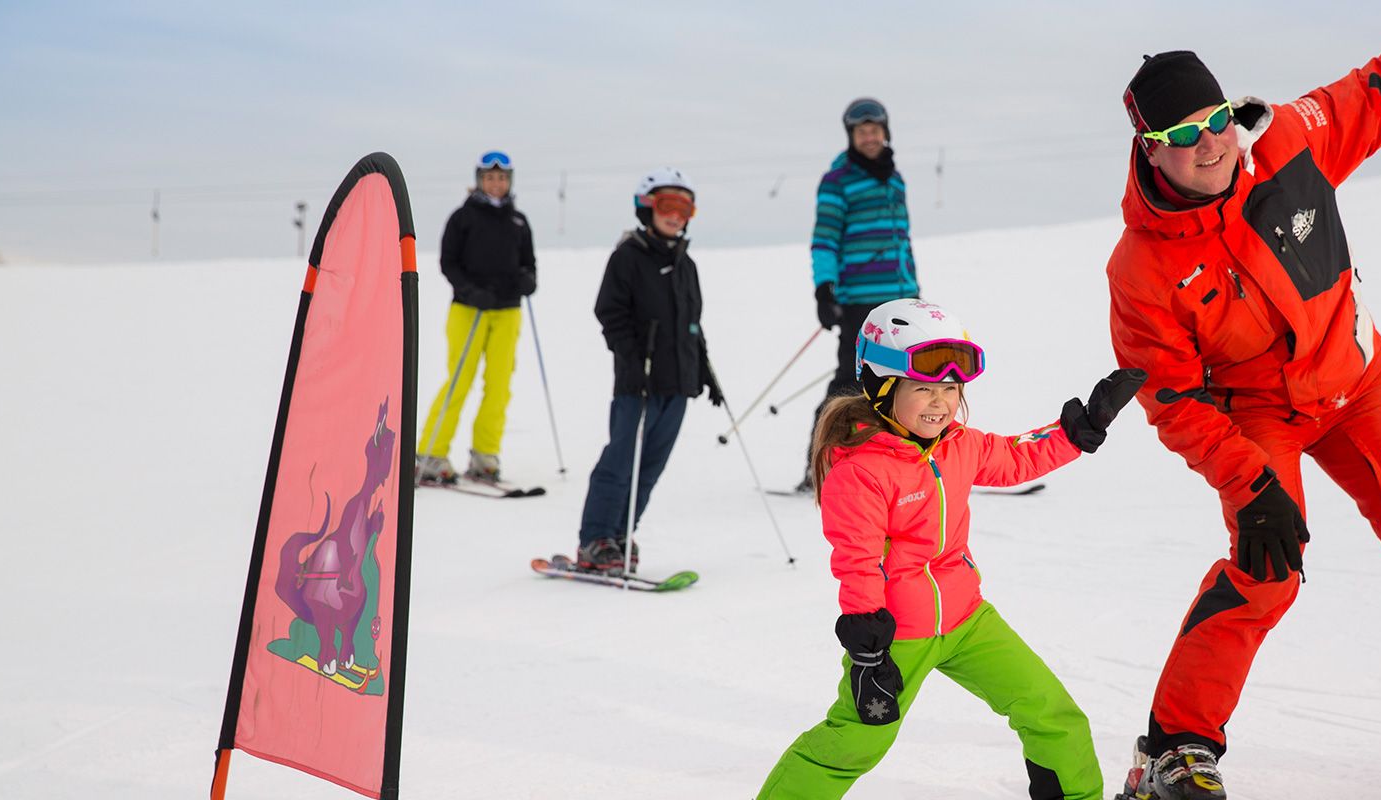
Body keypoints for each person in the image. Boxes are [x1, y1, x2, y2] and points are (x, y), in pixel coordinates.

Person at [1103, 2, 1381, 798]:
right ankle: (1173, 750)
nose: (1209, 143)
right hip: (1256, 413)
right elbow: (1171, 398)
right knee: (1264, 569)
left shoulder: (1290, 143)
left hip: (1358, 383)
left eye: (1217, 119)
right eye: (1181, 135)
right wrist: (1249, 480)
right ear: (1149, 150)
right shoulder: (1140, 267)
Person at [757, 298, 1146, 799]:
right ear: (879, 384)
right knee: (858, 740)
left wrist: (1075, 431)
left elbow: (1015, 457)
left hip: (967, 618)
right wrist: (869, 653)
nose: (940, 401)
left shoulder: (957, 444)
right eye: (922, 388)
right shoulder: (861, 470)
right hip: (897, 635)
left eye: (950, 387)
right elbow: (857, 562)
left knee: (1052, 712)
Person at [574, 168, 724, 575]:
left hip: (678, 384)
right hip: (637, 384)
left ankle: (622, 533)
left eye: (685, 207)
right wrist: (629, 357)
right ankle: (596, 539)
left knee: (651, 465)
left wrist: (705, 371)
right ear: (647, 207)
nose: (676, 215)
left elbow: (691, 322)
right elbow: (610, 312)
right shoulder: (628, 257)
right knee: (621, 461)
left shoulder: (685, 264)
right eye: (667, 206)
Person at [796, 97, 921, 493]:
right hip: (859, 301)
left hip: (900, 297)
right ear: (851, 136)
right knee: (850, 384)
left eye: (875, 129)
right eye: (861, 131)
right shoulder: (838, 181)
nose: (869, 137)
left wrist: (915, 293)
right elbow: (824, 240)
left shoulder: (894, 178)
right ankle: (819, 465)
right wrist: (824, 288)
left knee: (909, 380)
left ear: (886, 132)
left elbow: (903, 242)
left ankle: (908, 462)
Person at [416, 151, 537, 485]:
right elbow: (448, 262)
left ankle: (486, 455)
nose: (495, 184)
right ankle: (430, 453)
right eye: (489, 178)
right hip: (469, 310)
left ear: (509, 181)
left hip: (507, 312)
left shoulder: (519, 221)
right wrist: (470, 290)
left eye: (501, 178)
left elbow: (529, 263)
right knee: (459, 379)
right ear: (479, 180)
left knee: (499, 386)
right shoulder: (463, 218)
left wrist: (528, 280)